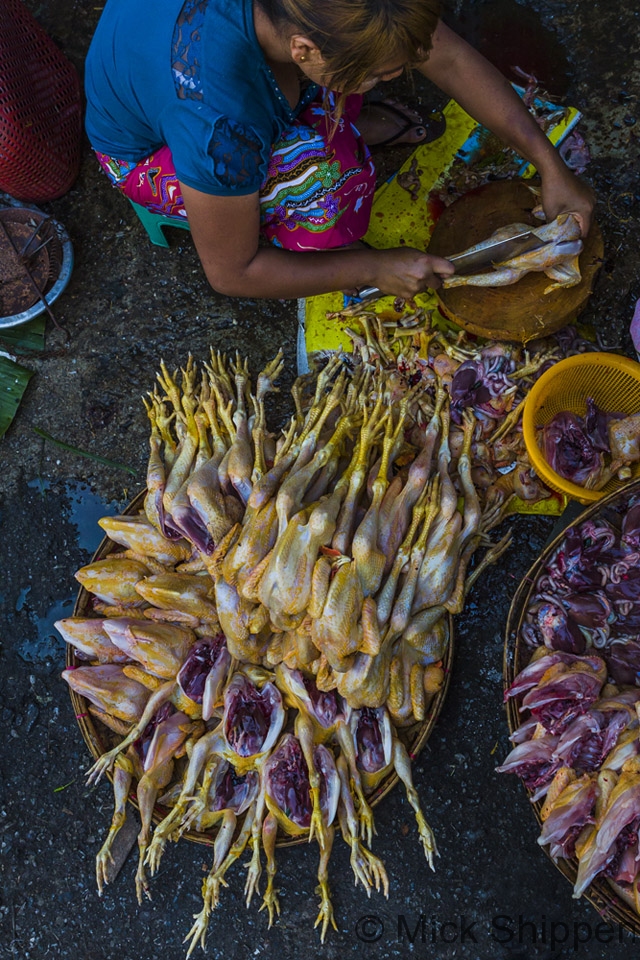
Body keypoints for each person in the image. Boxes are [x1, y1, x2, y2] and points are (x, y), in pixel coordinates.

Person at [85, 0, 594, 301]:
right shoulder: (219, 125)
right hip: (151, 150)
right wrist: (372, 269)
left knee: (351, 78)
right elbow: (231, 272)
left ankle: (336, 112)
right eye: (382, 74)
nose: (394, 78)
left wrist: (548, 163)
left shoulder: (333, 9)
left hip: (216, 82)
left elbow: (450, 58)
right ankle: (318, 165)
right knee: (328, 185)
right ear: (302, 51)